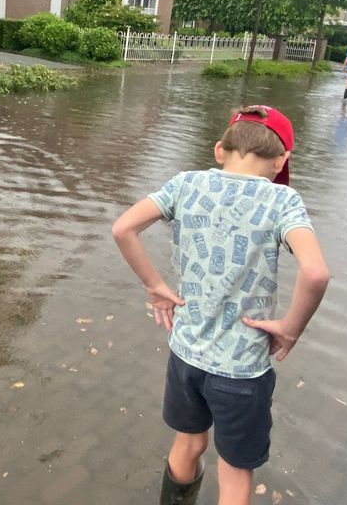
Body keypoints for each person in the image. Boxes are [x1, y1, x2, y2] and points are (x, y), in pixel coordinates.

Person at [111, 106, 331, 505]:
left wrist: (156, 286)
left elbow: (123, 228)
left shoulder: (184, 184)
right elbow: (315, 274)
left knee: (189, 442)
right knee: (233, 469)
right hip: (242, 369)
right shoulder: (283, 200)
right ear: (282, 160)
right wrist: (290, 328)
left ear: (219, 150)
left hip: (186, 354)